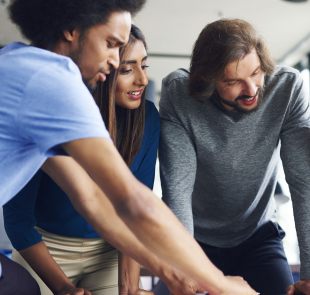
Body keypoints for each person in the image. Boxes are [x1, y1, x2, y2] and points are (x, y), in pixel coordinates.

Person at [0, 1, 255, 294]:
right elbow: (134, 202)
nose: (112, 59)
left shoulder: (22, 64)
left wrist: (167, 274)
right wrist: (219, 283)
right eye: (110, 44)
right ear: (71, 30)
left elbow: (90, 198)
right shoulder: (50, 82)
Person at [159, 18, 310, 295]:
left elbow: (302, 183)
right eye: (233, 82)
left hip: (258, 238)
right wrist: (185, 267)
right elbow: (176, 189)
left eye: (256, 73)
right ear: (208, 79)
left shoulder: (287, 89)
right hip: (194, 241)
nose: (252, 89)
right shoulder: (179, 94)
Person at [4, 24, 156, 295]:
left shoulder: (148, 118)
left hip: (110, 250)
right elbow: (18, 219)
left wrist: (130, 288)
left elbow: (134, 208)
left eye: (144, 65)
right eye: (126, 69)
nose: (142, 80)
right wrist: (62, 287)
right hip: (46, 249)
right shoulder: (47, 108)